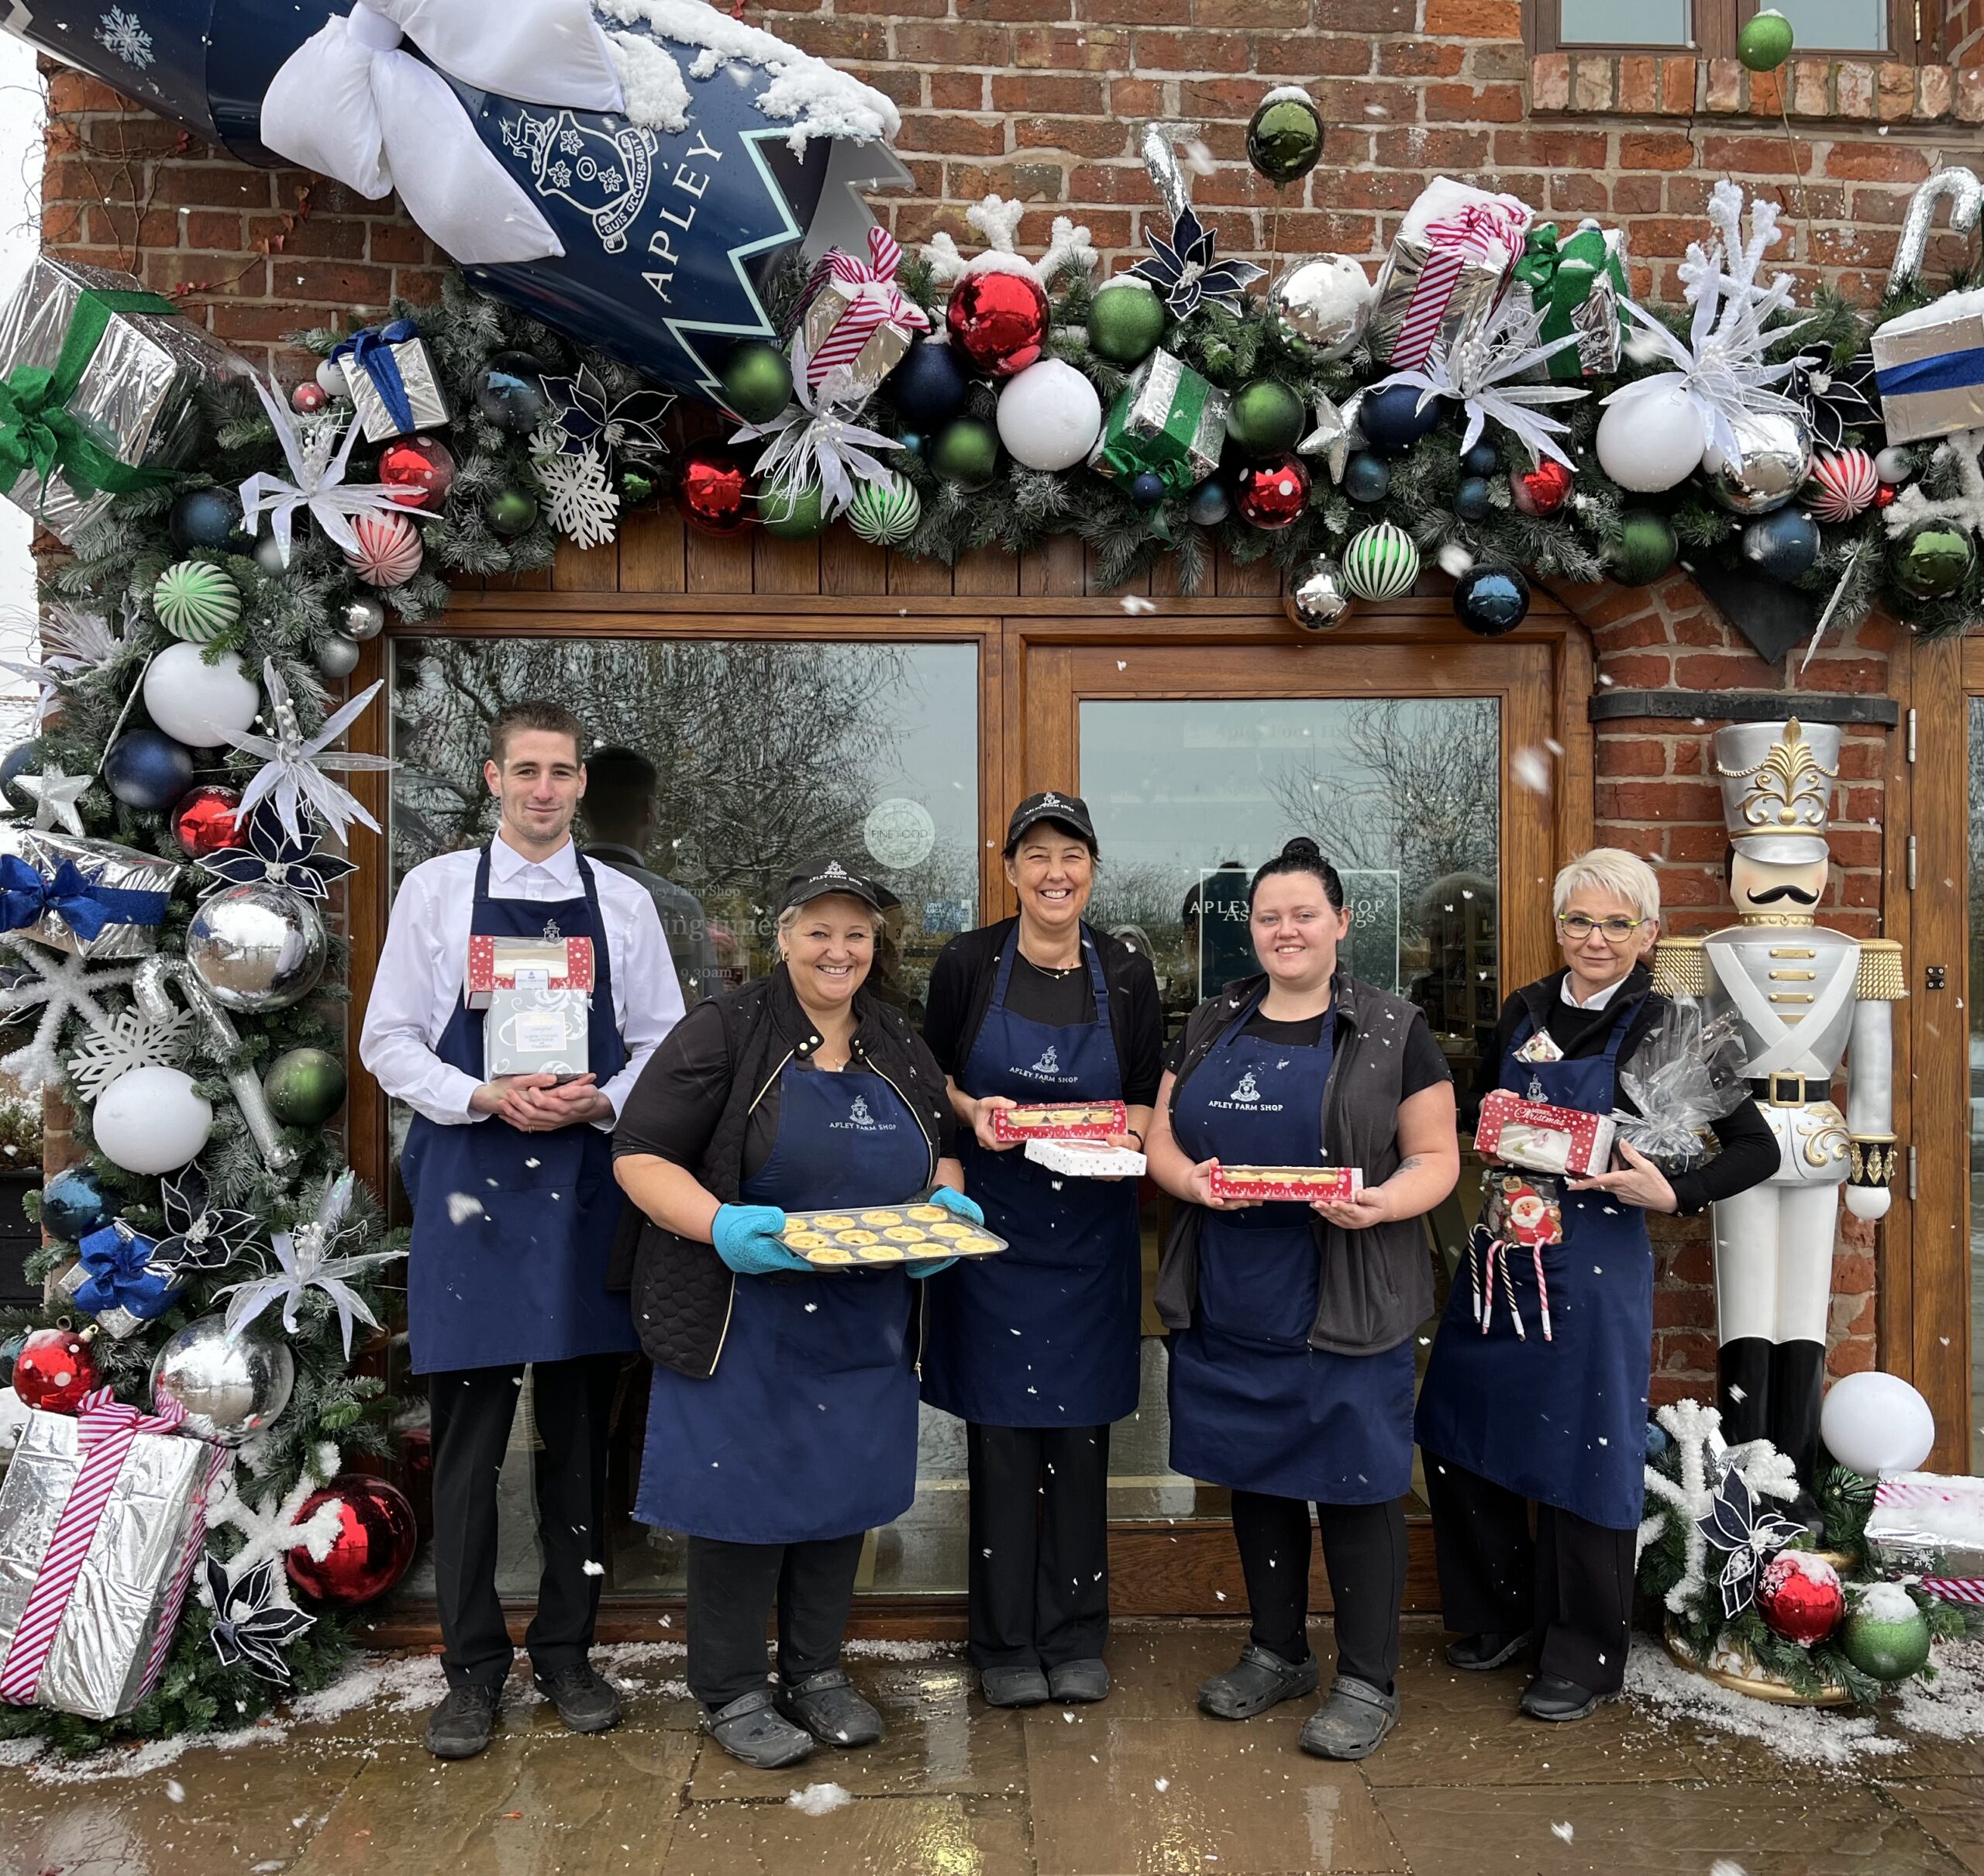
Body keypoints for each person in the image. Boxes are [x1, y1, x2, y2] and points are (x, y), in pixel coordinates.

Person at [360, 700, 682, 1761]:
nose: (544, 789)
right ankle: (470, 1670)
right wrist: (479, 1095)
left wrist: (600, 1101)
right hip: (469, 1186)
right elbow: (389, 1040)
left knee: (579, 1446)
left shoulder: (625, 904)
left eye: (562, 772)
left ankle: (570, 1652)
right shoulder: (437, 891)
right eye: (526, 770)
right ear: (494, 778)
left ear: (583, 784)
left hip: (587, 1185)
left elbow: (664, 1046)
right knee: (468, 1449)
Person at [611, 860, 980, 1770]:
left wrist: (945, 1210)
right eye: (819, 931)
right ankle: (732, 1688)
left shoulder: (897, 1041)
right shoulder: (724, 1033)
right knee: (739, 1507)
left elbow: (940, 1152)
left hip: (863, 1322)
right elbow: (639, 1155)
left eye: (855, 934)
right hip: (743, 1318)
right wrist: (722, 1226)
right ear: (782, 937)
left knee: (837, 1500)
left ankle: (816, 1671)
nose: (838, 950)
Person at [1414, 848, 1776, 1724]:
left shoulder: (1672, 1024)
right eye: (1579, 920)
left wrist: (1675, 1192)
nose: (1596, 938)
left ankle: (1580, 1651)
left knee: (1586, 1450)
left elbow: (1756, 1148)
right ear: (1558, 927)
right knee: (1460, 1426)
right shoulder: (1524, 1007)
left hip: (1597, 1264)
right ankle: (1498, 1614)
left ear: (1649, 934)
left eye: (1618, 923)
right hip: (1505, 1251)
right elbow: (1490, 1117)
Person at [1145, 837, 1458, 1761]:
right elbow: (1159, 1140)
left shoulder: (1394, 1029)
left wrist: (1382, 1205)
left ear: (1340, 923)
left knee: (1359, 1489)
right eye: (1269, 916)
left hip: (1347, 1293)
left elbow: (1436, 1159)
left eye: (1303, 915)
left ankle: (1367, 1678)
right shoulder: (1209, 1022)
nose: (1285, 931)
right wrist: (1191, 1185)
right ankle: (1277, 1651)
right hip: (1230, 1292)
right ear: (1251, 929)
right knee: (1256, 1480)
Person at [921, 791, 1162, 1709]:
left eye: (1071, 855)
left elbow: (1144, 1091)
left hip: (1090, 1236)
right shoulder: (969, 962)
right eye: (1037, 856)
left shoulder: (1126, 969)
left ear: (1091, 868)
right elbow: (930, 1074)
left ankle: (1075, 1634)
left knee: (1081, 1442)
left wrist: (1114, 1137)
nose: (1054, 872)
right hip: (994, 1231)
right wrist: (968, 1116)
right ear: (1011, 869)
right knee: (1002, 1440)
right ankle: (1002, 1642)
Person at [579, 744, 718, 1007]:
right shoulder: (677, 907)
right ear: (650, 810)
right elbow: (705, 1007)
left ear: (582, 812)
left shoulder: (553, 892)